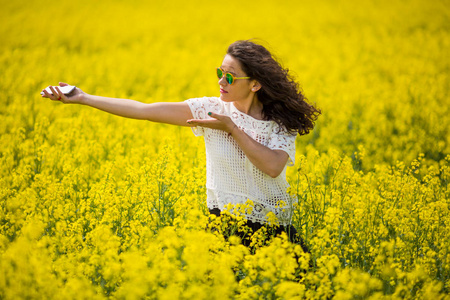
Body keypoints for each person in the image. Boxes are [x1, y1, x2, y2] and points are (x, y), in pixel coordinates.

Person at [42, 40, 320, 250]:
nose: (222, 82)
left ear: (255, 84)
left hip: (274, 229)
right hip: (222, 225)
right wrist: (85, 98)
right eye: (220, 73)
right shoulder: (209, 109)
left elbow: (272, 167)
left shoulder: (278, 122)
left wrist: (232, 129)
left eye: (231, 76)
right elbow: (144, 110)